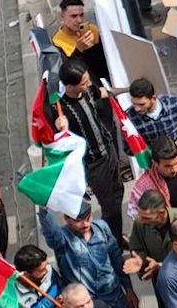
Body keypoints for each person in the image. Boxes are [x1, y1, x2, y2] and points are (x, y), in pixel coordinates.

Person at [39, 199, 138, 308]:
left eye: (88, 218)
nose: (85, 224)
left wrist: (129, 289)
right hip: (87, 305)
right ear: (66, 219)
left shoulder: (102, 228)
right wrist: (43, 211)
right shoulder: (63, 239)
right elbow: (51, 234)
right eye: (78, 220)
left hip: (114, 297)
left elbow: (116, 259)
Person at [49, 62, 127, 242]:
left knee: (118, 190)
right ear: (70, 86)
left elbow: (103, 92)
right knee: (110, 205)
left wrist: (128, 89)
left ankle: (115, 233)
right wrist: (60, 127)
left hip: (109, 150)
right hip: (93, 163)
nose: (89, 84)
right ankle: (114, 240)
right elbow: (57, 133)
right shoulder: (61, 109)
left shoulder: (88, 91)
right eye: (83, 83)